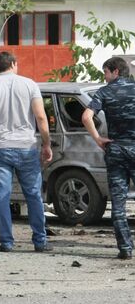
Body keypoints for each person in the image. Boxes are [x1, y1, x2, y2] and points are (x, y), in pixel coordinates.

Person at [0, 51, 52, 253]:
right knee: (33, 195)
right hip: (27, 148)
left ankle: (6, 242)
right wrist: (47, 143)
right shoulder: (30, 84)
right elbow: (41, 117)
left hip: (0, 148)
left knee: (2, 197)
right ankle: (40, 241)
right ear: (14, 64)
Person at [81, 56, 135, 260]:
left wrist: (98, 139)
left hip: (116, 150)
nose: (104, 77)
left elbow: (86, 117)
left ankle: (125, 248)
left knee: (118, 203)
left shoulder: (104, 92)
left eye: (105, 72)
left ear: (116, 71)